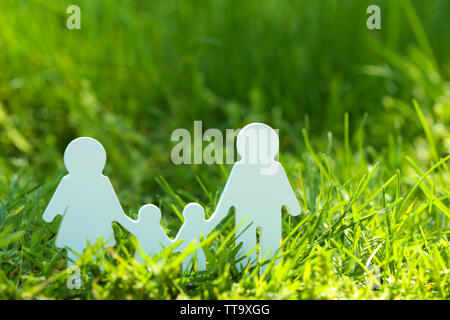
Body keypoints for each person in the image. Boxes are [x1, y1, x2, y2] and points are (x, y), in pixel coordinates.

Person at [209, 123, 301, 272]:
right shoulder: (246, 169)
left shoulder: (271, 168)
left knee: (267, 246)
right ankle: (251, 270)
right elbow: (229, 195)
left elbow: (228, 198)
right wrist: (294, 209)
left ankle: (260, 270)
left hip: (258, 215)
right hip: (259, 215)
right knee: (248, 247)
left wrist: (217, 216)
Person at [42, 137, 133, 263]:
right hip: (95, 228)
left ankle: (80, 274)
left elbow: (51, 211)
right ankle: (92, 273)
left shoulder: (72, 182)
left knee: (79, 254)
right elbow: (114, 209)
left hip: (75, 228)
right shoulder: (74, 182)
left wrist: (50, 215)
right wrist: (127, 222)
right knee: (93, 253)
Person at [174, 203, 210, 272]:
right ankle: (187, 274)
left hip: (199, 249)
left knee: (200, 259)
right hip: (188, 249)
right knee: (188, 261)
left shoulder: (202, 225)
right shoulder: (186, 227)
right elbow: (179, 240)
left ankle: (200, 273)